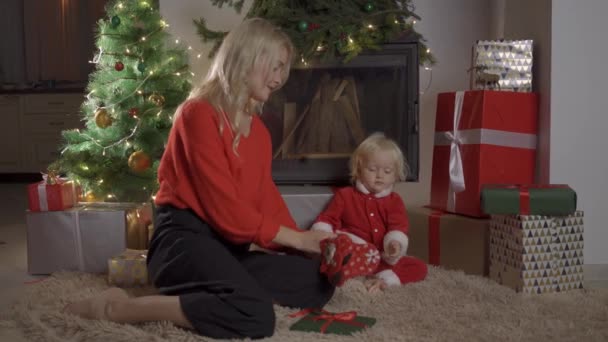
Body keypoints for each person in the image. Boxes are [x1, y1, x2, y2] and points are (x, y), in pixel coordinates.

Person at [64, 18, 336, 339]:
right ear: (247, 58)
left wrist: (307, 249)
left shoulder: (259, 133)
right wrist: (298, 238)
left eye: (283, 70)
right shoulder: (198, 114)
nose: (279, 79)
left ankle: (213, 293)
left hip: (226, 247)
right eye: (274, 67)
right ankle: (119, 308)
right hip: (182, 241)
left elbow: (266, 201)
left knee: (319, 281)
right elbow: (226, 210)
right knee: (256, 316)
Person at [312, 132, 428, 292]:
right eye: (372, 169)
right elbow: (327, 220)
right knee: (340, 245)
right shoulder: (345, 195)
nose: (379, 176)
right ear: (359, 169)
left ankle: (384, 280)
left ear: (395, 175)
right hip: (354, 249)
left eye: (387, 171)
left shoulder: (394, 201)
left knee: (419, 267)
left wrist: (395, 244)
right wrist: (325, 237)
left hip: (381, 257)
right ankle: (341, 268)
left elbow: (398, 228)